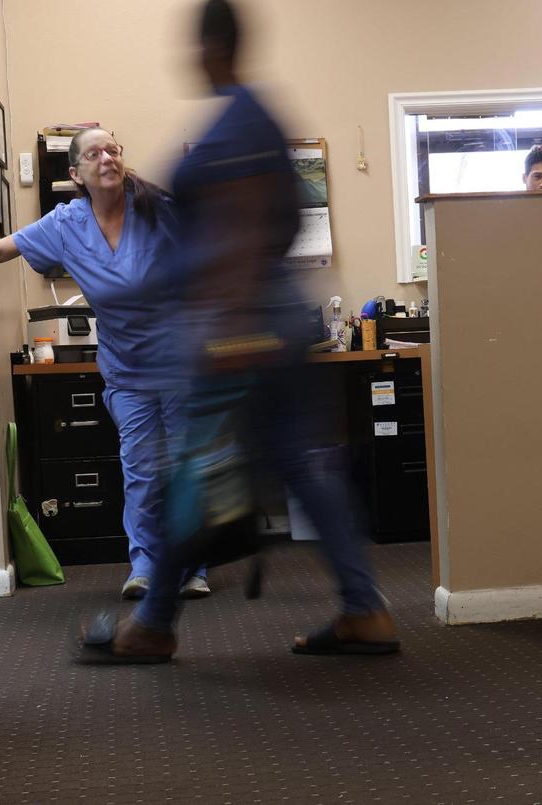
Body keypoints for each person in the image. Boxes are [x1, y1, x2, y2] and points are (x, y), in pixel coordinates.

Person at [78, 0, 399, 664]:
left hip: (236, 325)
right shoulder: (264, 120)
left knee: (189, 474)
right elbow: (275, 227)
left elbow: (246, 232)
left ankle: (155, 622)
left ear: (209, 49)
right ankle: (364, 608)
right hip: (269, 315)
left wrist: (227, 328)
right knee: (301, 467)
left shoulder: (233, 132)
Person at [0, 127, 205, 601]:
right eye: (94, 153)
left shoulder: (157, 210)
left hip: (180, 363)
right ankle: (143, 565)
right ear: (75, 172)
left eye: (114, 150)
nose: (107, 158)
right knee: (140, 469)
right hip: (127, 372)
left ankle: (192, 566)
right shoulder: (66, 224)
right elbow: (1, 249)